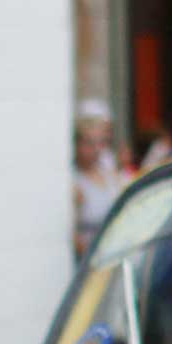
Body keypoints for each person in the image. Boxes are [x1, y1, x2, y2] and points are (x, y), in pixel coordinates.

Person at [73, 103, 124, 260]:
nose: (96, 149)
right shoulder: (74, 181)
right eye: (88, 143)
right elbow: (73, 236)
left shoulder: (109, 173)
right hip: (91, 262)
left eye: (101, 143)